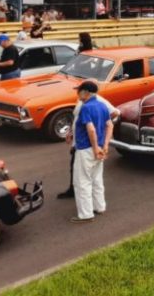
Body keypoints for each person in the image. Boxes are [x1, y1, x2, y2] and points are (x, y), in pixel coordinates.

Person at [58, 93, 118, 200]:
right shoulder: (83, 100)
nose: (79, 92)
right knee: (75, 168)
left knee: (86, 174)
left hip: (86, 144)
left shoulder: (99, 101)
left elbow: (115, 113)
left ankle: (86, 203)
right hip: (79, 142)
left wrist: (99, 126)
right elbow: (78, 119)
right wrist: (71, 132)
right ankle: (74, 190)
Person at [70, 81, 113, 222]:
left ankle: (86, 214)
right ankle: (100, 206)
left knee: (82, 182)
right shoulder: (102, 105)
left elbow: (91, 129)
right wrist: (105, 146)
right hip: (100, 148)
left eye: (79, 91)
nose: (77, 94)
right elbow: (109, 125)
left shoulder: (86, 107)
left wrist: (95, 148)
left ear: (85, 92)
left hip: (86, 150)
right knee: (96, 179)